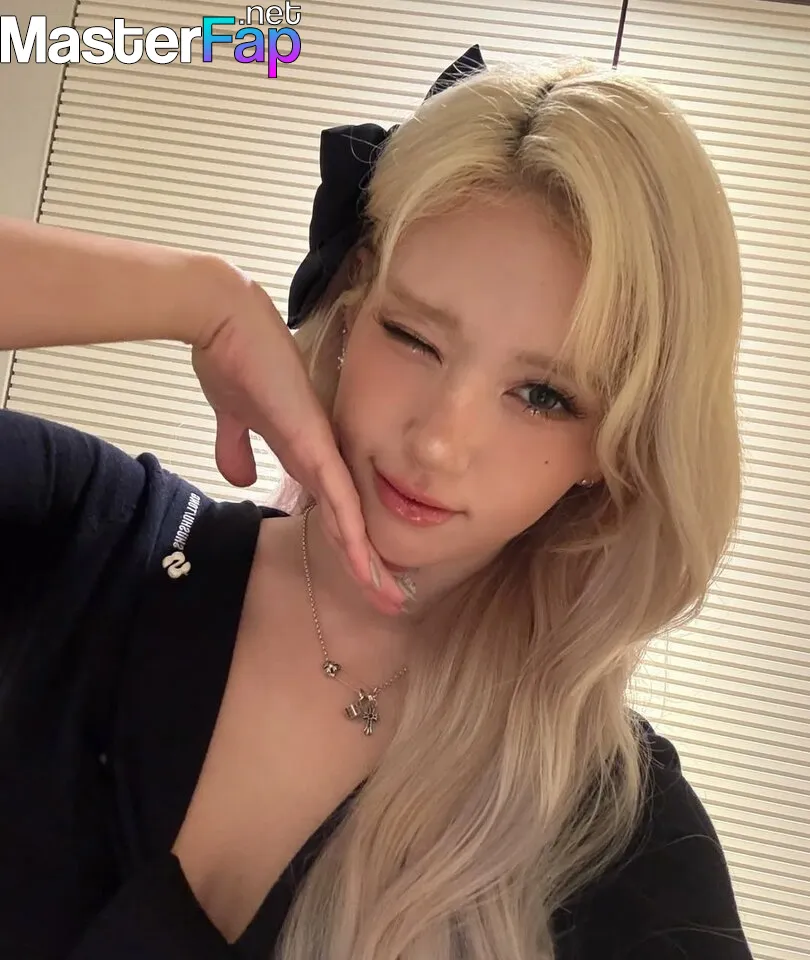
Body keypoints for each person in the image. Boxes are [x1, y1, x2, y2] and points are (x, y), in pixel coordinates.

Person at [0, 44, 754, 960]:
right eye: (413, 336)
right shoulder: (85, 537)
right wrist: (199, 297)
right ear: (353, 309)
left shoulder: (622, 842)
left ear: (611, 447)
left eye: (543, 395)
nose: (438, 441)